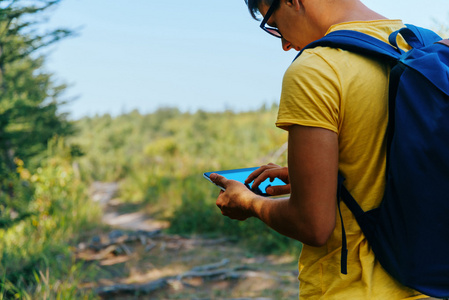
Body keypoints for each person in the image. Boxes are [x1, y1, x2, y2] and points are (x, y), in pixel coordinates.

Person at [210, 0, 430, 298]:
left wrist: (248, 202)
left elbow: (313, 224)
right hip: (429, 283)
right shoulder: (424, 46)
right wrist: (316, 176)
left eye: (273, 25)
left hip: (353, 288)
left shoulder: (317, 69)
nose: (285, 44)